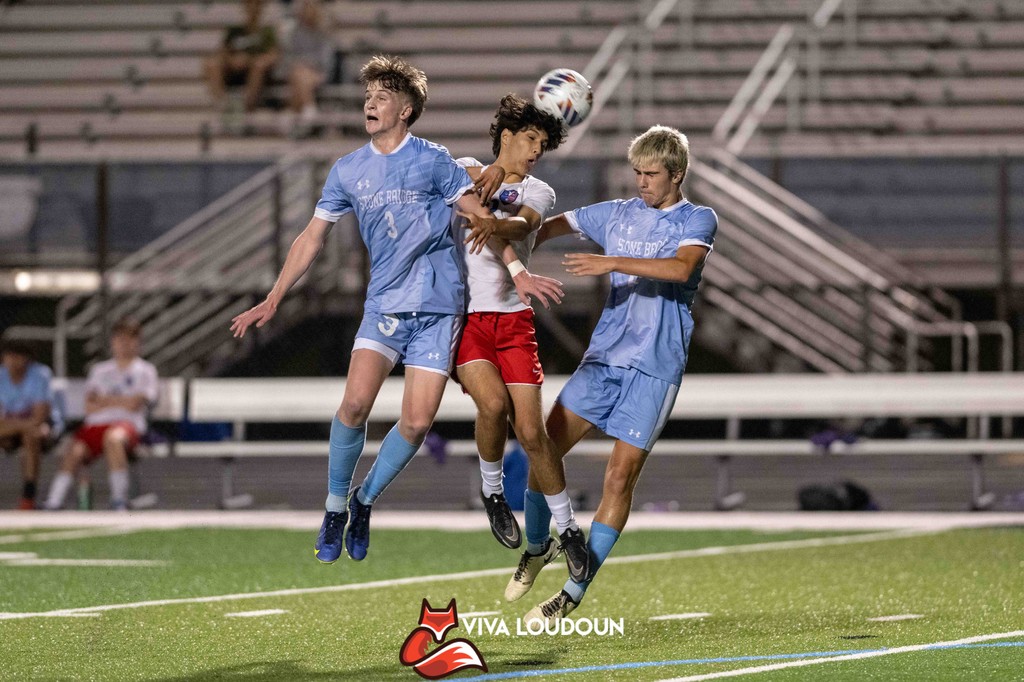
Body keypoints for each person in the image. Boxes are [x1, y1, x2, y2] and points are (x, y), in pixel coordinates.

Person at [229, 55, 556, 565]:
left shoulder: (434, 160)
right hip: (384, 303)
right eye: (368, 96)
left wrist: (517, 270)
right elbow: (312, 236)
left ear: (405, 110)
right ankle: (335, 508)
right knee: (355, 405)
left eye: (382, 97)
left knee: (417, 422)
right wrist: (274, 296)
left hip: (439, 310)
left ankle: (364, 502)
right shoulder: (348, 169)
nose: (370, 103)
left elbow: (481, 219)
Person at [507, 125, 718, 623]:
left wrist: (610, 261)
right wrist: (516, 236)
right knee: (543, 451)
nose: (641, 182)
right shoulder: (617, 213)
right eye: (637, 172)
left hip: (655, 366)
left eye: (651, 174)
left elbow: (681, 269)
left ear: (677, 174)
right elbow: (548, 226)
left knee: (619, 478)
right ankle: (537, 547)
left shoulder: (698, 218)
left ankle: (571, 593)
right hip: (603, 359)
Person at [452, 94, 590, 583]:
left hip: (514, 322)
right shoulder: (463, 170)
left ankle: (568, 530)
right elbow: (458, 192)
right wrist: (482, 191)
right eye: (531, 139)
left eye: (543, 144)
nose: (536, 151)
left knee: (532, 433)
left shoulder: (540, 190)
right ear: (507, 135)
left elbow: (524, 224)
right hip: (468, 320)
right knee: (492, 406)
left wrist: (492, 221)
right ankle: (492, 494)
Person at [44, 318, 158, 511]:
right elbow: (89, 407)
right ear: (112, 341)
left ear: (137, 342)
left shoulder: (146, 370)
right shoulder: (99, 370)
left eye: (129, 339)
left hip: (127, 427)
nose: (123, 344)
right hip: (95, 426)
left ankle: (118, 500)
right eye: (119, 339)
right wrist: (123, 400)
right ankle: (54, 501)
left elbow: (136, 405)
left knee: (113, 439)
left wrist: (104, 400)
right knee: (73, 450)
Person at [0, 338, 54, 510]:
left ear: (27, 358)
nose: (12, 361)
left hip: (40, 427)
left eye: (17, 356)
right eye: (9, 356)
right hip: (13, 428)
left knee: (31, 436)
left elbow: (39, 417)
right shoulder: (1, 375)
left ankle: (28, 496)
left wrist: (12, 425)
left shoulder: (40, 374)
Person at [204, 0, 279, 112]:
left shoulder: (267, 32)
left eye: (256, 4)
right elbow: (222, 52)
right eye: (249, 4)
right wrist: (232, 60)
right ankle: (222, 105)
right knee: (211, 64)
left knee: (259, 65)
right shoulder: (235, 30)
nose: (253, 8)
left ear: (261, 8)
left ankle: (247, 105)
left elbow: (273, 55)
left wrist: (249, 60)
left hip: (257, 73)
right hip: (234, 70)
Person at [280, 0, 334, 136]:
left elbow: (325, 61)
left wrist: (306, 64)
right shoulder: (295, 33)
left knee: (299, 74)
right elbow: (289, 57)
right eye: (304, 10)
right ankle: (308, 108)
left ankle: (294, 113)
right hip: (298, 72)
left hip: (318, 72)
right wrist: (302, 65)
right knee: (299, 74)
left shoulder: (323, 33)